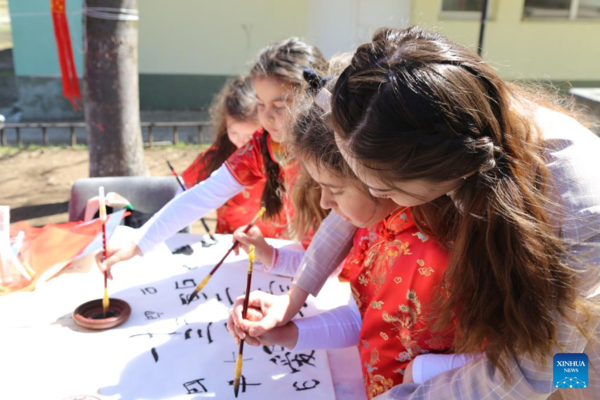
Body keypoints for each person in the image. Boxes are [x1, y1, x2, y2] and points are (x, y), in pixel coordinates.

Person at [229, 26, 600, 399]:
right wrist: (293, 298)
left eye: (382, 189)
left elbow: (533, 371)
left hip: (583, 338)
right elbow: (347, 211)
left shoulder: (576, 211)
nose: (332, 205)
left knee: (576, 382)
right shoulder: (399, 107)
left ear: (436, 173)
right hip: (518, 342)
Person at [98, 38, 327, 278]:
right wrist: (137, 242)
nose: (266, 117)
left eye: (279, 106)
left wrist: (275, 258)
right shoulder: (264, 147)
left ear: (311, 100)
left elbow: (334, 256)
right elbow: (202, 196)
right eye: (260, 104)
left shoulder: (333, 154)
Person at [180, 75, 285, 237]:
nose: (242, 143)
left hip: (274, 248)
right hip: (228, 245)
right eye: (233, 132)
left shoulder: (282, 158)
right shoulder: (215, 156)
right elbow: (184, 194)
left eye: (250, 136)